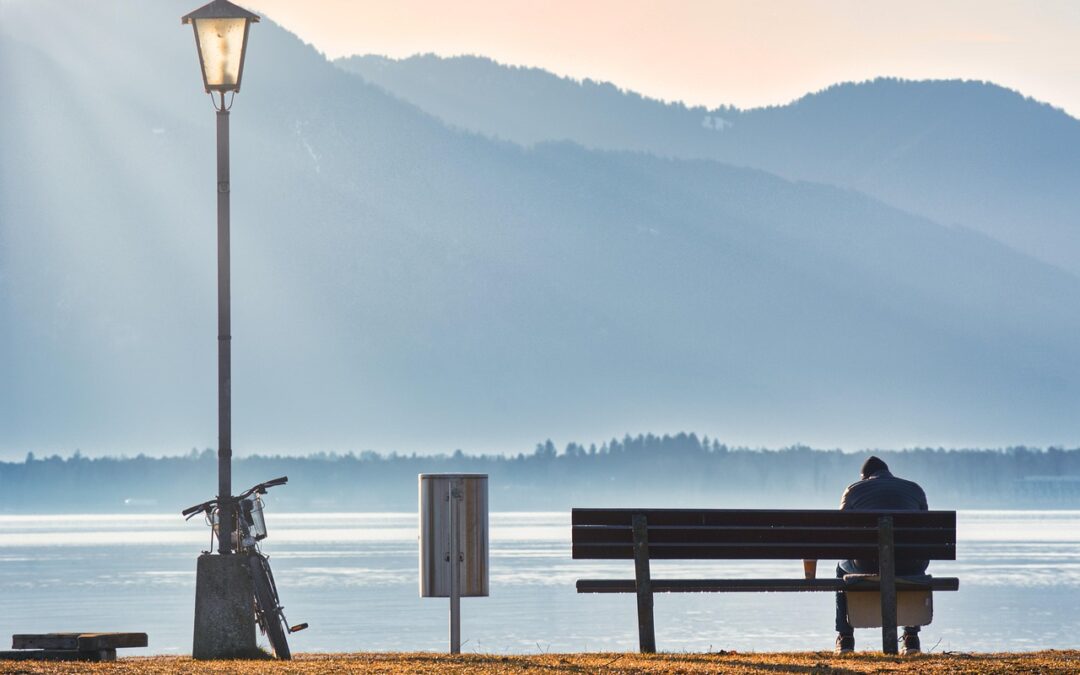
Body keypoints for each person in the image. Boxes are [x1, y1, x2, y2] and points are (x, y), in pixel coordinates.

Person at [834, 456, 928, 656]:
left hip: (866, 563)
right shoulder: (915, 489)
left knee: (840, 569)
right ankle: (911, 638)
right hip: (909, 564)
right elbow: (925, 533)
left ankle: (845, 639)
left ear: (865, 476)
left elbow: (839, 531)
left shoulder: (854, 489)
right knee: (916, 563)